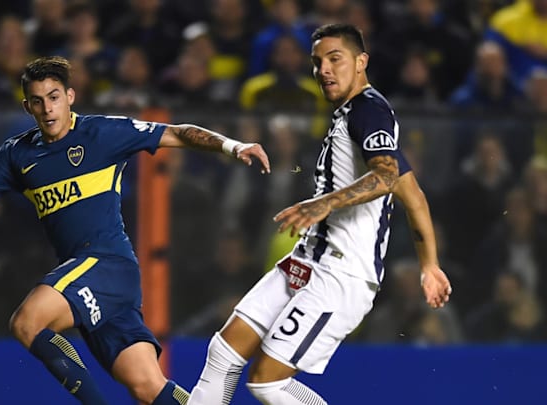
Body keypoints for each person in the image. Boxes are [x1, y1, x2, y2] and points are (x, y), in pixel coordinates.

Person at [0, 56, 270, 405]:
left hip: (107, 263)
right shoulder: (18, 154)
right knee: (149, 388)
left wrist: (234, 146)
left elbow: (177, 133)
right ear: (28, 107)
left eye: (54, 97)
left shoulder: (104, 133)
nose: (48, 108)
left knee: (27, 323)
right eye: (38, 102)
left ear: (70, 97)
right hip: (93, 278)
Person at [187, 23, 452, 405]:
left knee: (266, 382)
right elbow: (414, 196)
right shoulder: (356, 117)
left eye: (334, 58)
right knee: (222, 353)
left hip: (340, 275)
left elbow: (386, 176)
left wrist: (323, 203)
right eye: (317, 62)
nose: (323, 69)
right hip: (307, 262)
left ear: (361, 62)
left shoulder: (369, 109)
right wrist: (429, 265)